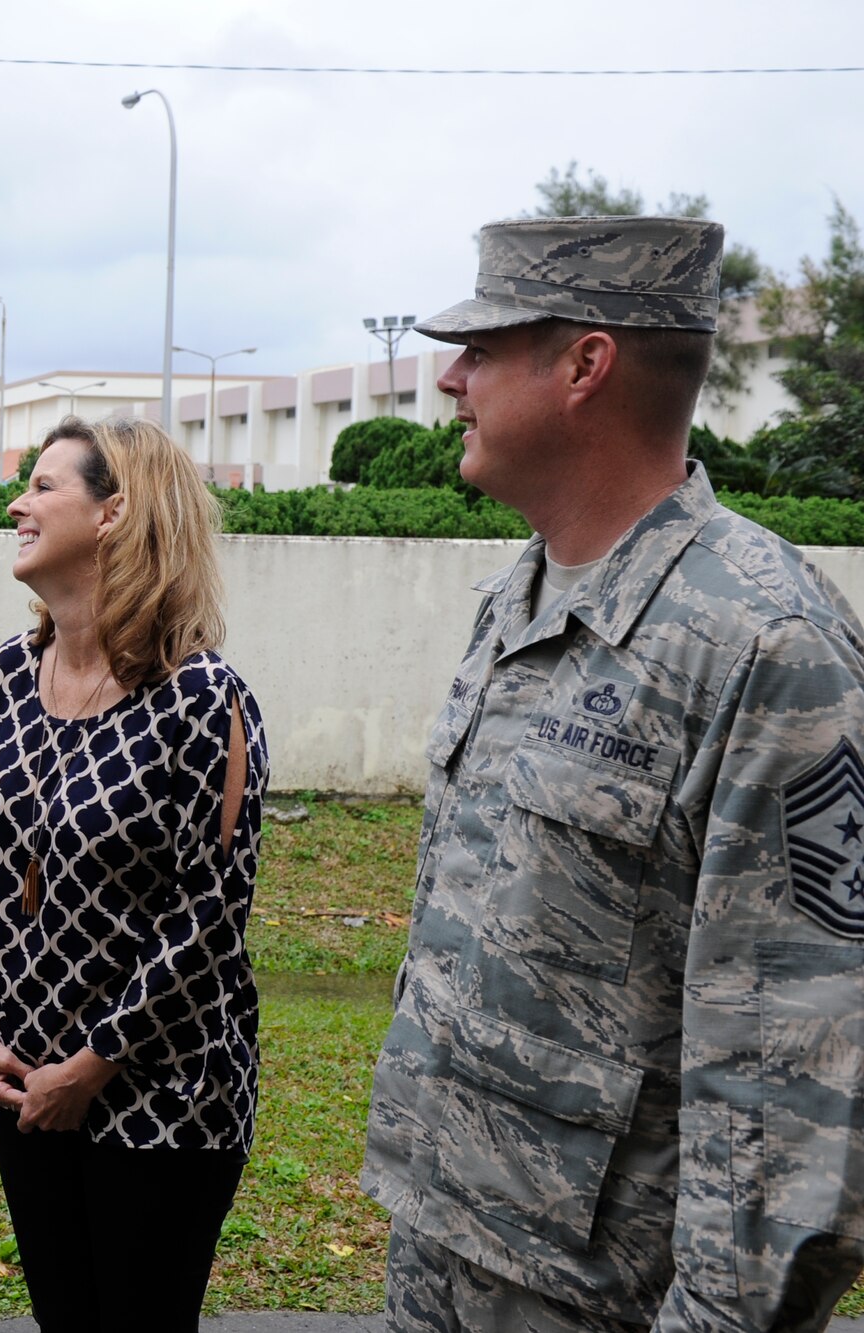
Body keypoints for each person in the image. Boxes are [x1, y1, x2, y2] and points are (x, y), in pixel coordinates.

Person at [364, 215, 864, 1330]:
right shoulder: (516, 602)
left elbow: (796, 1085)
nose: (451, 377)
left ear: (584, 364)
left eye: (483, 349)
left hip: (600, 1302)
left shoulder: (762, 643)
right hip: (444, 1249)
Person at [0, 414, 267, 1332]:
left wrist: (93, 1063)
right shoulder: (13, 672)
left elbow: (207, 914)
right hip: (25, 1075)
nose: (19, 502)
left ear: (115, 513)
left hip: (163, 1093)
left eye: (44, 485)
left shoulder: (203, 698)